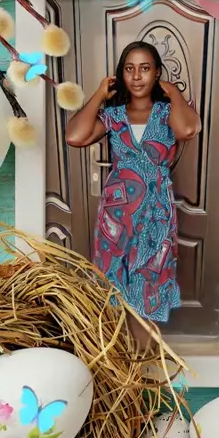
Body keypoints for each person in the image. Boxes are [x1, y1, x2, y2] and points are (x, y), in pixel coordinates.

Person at [66, 41, 201, 348]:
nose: (137, 76)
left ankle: (145, 361)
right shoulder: (113, 116)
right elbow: (74, 136)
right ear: (121, 74)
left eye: (145, 68)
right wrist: (98, 95)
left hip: (156, 213)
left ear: (157, 73)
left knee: (149, 283)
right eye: (129, 69)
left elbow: (188, 130)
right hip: (117, 216)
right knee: (116, 286)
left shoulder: (168, 112)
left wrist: (174, 93)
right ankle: (122, 359)